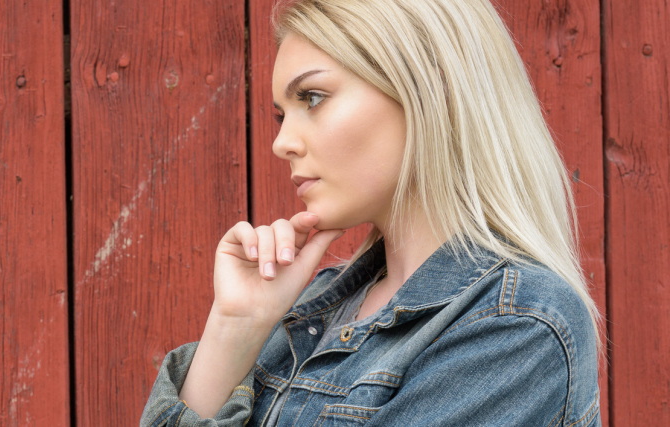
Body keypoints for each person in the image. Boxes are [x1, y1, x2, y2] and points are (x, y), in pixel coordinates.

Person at [140, 0, 604, 425]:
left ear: (429, 88)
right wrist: (235, 327)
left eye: (312, 97)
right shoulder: (315, 307)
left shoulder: (517, 323)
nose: (281, 143)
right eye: (281, 115)